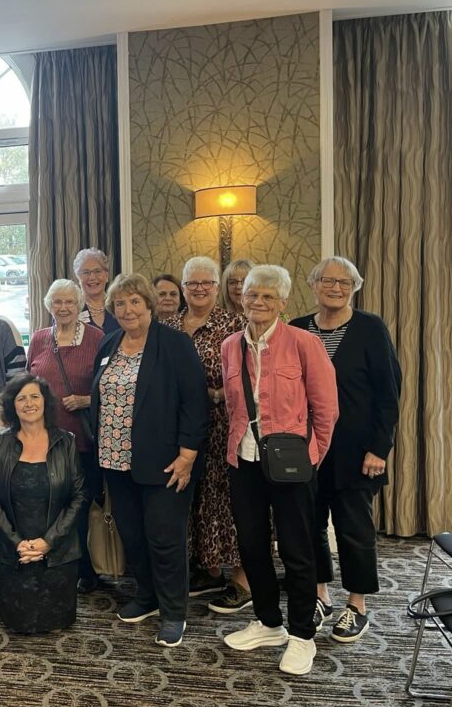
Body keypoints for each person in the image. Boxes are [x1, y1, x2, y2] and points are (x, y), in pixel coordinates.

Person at [220, 265, 338, 676]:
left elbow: (326, 409)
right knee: (252, 545)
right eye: (252, 294)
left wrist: (313, 456)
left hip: (293, 464)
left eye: (268, 296)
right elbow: (234, 406)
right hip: (243, 460)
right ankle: (269, 623)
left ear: (283, 302)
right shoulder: (230, 346)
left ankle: (303, 635)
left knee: (296, 549)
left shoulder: (304, 343)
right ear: (242, 298)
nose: (259, 302)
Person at [90, 273, 209, 647]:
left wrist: (187, 455)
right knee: (132, 535)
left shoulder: (173, 343)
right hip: (115, 460)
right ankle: (147, 595)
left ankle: (173, 611)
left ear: (149, 305)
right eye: (120, 304)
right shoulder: (109, 343)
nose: (127, 310)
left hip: (165, 463)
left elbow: (195, 401)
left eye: (135, 302)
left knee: (164, 538)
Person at [290, 257, 402, 643]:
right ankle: (320, 595)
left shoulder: (370, 328)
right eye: (327, 280)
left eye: (344, 282)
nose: (335, 288)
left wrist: (379, 448)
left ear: (354, 288)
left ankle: (357, 604)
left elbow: (389, 394)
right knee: (309, 526)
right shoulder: (296, 329)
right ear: (313, 284)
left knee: (354, 529)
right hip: (304, 450)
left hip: (356, 451)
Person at [162, 258, 251, 612]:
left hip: (223, 429)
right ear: (183, 288)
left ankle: (243, 579)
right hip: (180, 431)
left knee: (230, 502)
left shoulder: (235, 324)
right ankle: (210, 570)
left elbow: (251, 377)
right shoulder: (167, 326)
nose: (199, 289)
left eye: (206, 283)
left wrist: (213, 394)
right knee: (197, 502)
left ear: (217, 287)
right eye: (192, 283)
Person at [0, 374, 88, 633]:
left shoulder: (66, 441)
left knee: (57, 624)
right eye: (21, 398)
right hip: (15, 551)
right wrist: (17, 542)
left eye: (34, 396)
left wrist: (48, 542)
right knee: (18, 623)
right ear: (12, 406)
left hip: (58, 551)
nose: (29, 403)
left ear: (45, 402)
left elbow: (79, 496)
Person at [26, 279, 105, 592]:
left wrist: (86, 400)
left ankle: (86, 569)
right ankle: (54, 563)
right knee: (50, 506)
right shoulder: (39, 339)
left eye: (69, 302)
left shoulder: (97, 338)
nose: (63, 307)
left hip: (82, 443)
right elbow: (28, 384)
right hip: (44, 442)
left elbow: (110, 385)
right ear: (49, 306)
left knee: (80, 507)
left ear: (79, 304)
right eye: (57, 302)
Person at [73, 248, 120, 334]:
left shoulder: (118, 304)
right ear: (78, 277)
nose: (92, 277)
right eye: (86, 272)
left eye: (97, 271)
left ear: (106, 276)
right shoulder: (70, 307)